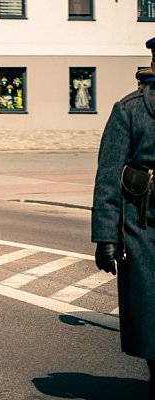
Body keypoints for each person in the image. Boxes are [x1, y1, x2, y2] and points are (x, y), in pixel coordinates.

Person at [92, 36, 155, 399]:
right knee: (150, 314)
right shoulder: (129, 109)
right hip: (142, 229)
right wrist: (106, 238)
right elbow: (108, 177)